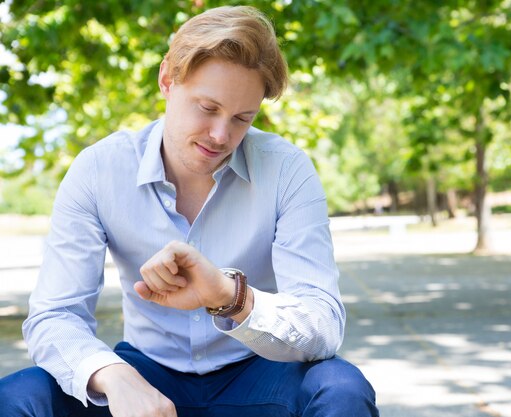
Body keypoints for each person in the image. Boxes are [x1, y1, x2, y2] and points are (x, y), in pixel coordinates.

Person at [0, 6, 378, 417]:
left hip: (259, 374)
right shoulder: (99, 169)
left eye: (242, 118)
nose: (221, 135)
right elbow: (55, 315)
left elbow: (323, 325)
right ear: (167, 78)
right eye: (208, 107)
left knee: (341, 387)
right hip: (144, 372)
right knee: (21, 394)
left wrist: (230, 297)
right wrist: (112, 374)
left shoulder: (287, 169)